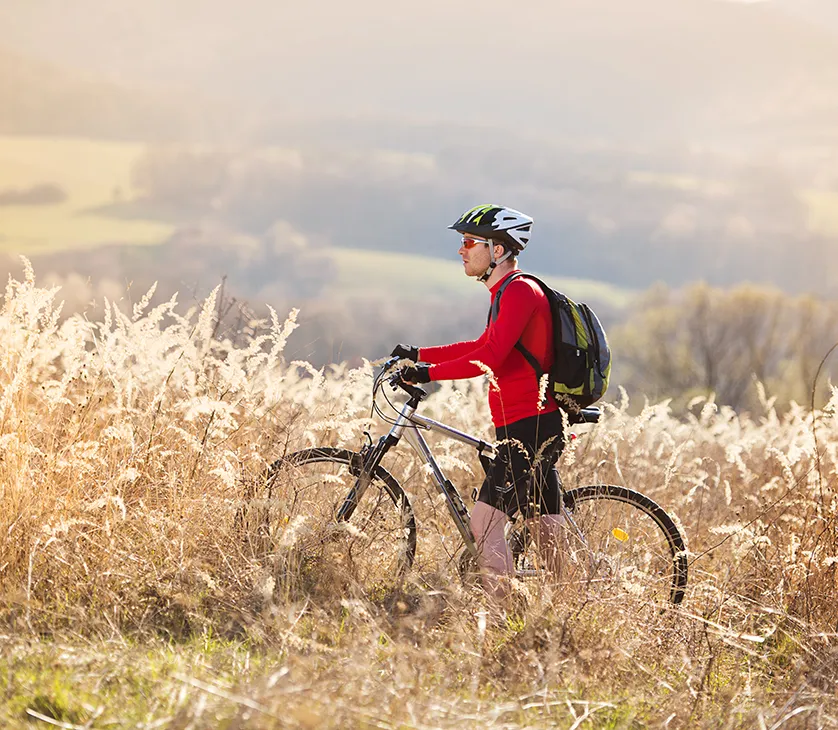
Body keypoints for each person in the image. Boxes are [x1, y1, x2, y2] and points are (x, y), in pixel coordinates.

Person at [390, 204, 566, 598]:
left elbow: (488, 359)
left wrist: (427, 374)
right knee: (547, 533)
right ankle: (574, 607)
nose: (461, 250)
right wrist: (421, 354)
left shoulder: (520, 290)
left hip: (529, 428)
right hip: (527, 425)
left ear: (498, 251)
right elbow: (482, 345)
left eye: (470, 242)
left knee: (484, 528)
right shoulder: (506, 292)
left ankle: (503, 626)